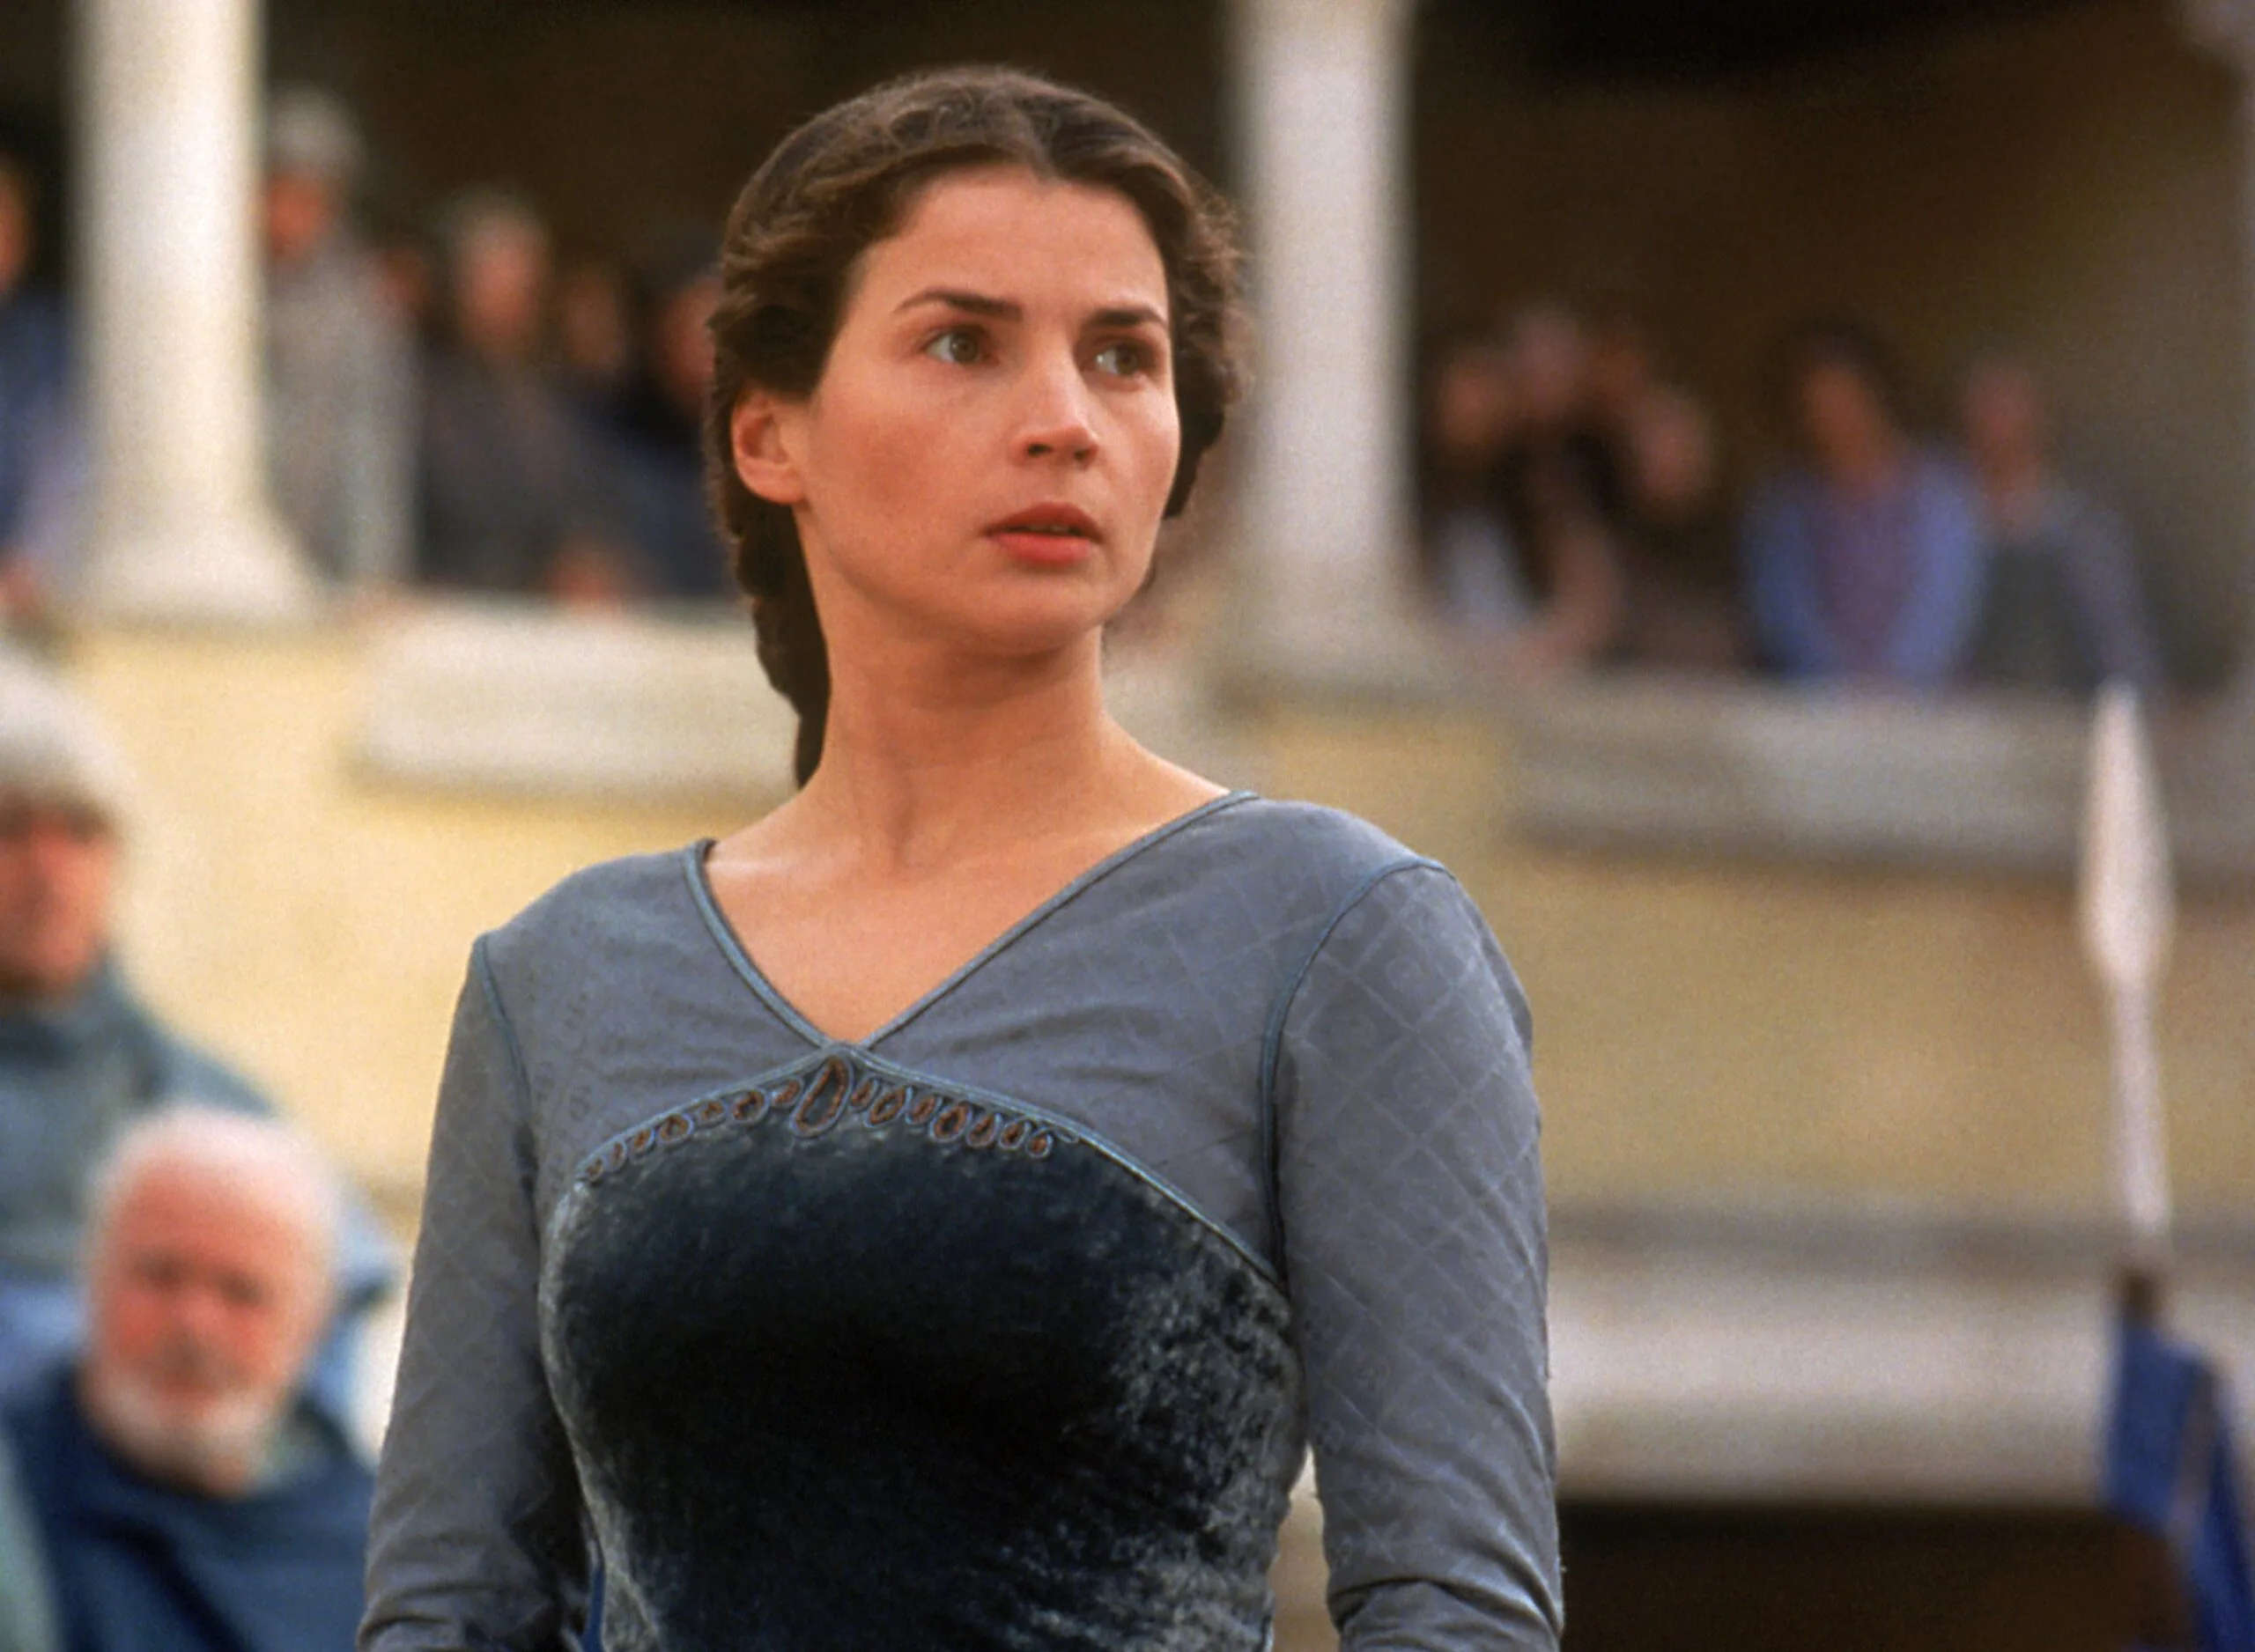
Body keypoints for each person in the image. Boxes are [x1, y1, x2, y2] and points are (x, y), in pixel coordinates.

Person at [362, 66, 1559, 1651]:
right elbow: (448, 1609)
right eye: (962, 343)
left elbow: (1457, 1612)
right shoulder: (561, 980)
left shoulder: (1337, 935)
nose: (1065, 420)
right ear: (770, 432)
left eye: (1123, 356)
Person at [0, 654, 393, 1426]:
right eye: (9, 830)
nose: (47, 871)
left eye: (79, 833)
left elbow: (328, 1332)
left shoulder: (205, 1109)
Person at [0, 1107, 375, 1652]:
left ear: (313, 1321)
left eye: (242, 1292)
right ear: (91, 1279)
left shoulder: (381, 1556)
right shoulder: (16, 1498)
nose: (195, 1325)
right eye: (161, 1276)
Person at [1741, 319, 1985, 688]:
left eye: (1843, 398)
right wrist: (1838, 684)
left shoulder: (1939, 493)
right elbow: (1785, 610)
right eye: (1816, 405)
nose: (1833, 418)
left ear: (1874, 395)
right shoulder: (1782, 505)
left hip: (1929, 703)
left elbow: (1944, 604)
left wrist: (1895, 683)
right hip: (1818, 700)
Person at [415, 191, 629, 601]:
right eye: (496, 276)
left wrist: (586, 559)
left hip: (540, 612)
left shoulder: (551, 395)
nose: (513, 294)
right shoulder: (422, 393)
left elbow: (580, 506)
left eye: (524, 279)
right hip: (456, 603)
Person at [262, 88, 417, 592]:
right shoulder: (205, 290)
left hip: (315, 569)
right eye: (277, 191)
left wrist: (372, 570)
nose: (287, 213)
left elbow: (370, 450)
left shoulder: (359, 308)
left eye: (308, 198)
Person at [1956, 353, 2163, 696]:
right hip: (1967, 713)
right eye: (1985, 409)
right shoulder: (1945, 516)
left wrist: (2146, 701)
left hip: (2063, 711)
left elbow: (2118, 632)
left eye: (2007, 409)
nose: (1995, 425)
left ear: (2040, 418)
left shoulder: (2083, 526)